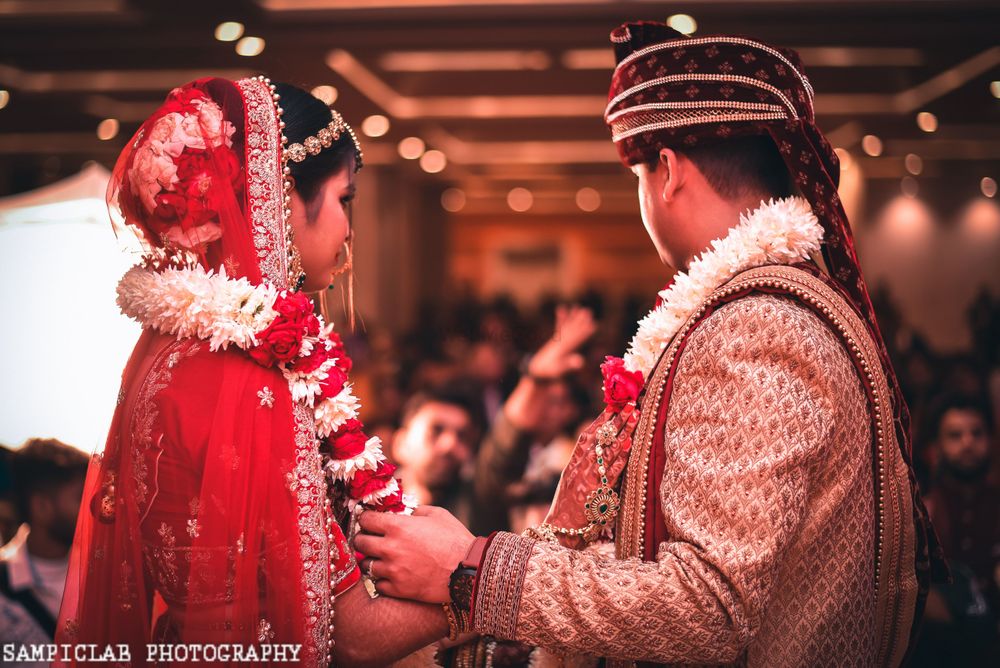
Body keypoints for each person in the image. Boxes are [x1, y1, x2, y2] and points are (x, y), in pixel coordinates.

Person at [355, 22, 946, 667]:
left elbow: (709, 607)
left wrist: (469, 568)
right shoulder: (769, 306)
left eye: (636, 174)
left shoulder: (757, 328)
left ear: (666, 170)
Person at [53, 77, 450, 667]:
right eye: (345, 201)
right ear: (282, 196)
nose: (349, 231)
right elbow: (348, 634)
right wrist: (472, 578)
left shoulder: (170, 350)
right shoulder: (253, 376)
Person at [914, 392, 999, 665]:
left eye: (976, 433)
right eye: (955, 435)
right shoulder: (921, 513)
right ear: (936, 447)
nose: (967, 443)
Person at [1, 439, 87, 653]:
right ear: (41, 507)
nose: (92, 509)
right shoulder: (3, 587)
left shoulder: (101, 572)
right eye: (81, 498)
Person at [391, 384, 483, 523]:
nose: (450, 444)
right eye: (436, 430)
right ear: (401, 444)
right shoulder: (368, 506)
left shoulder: (479, 507)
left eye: (462, 436)